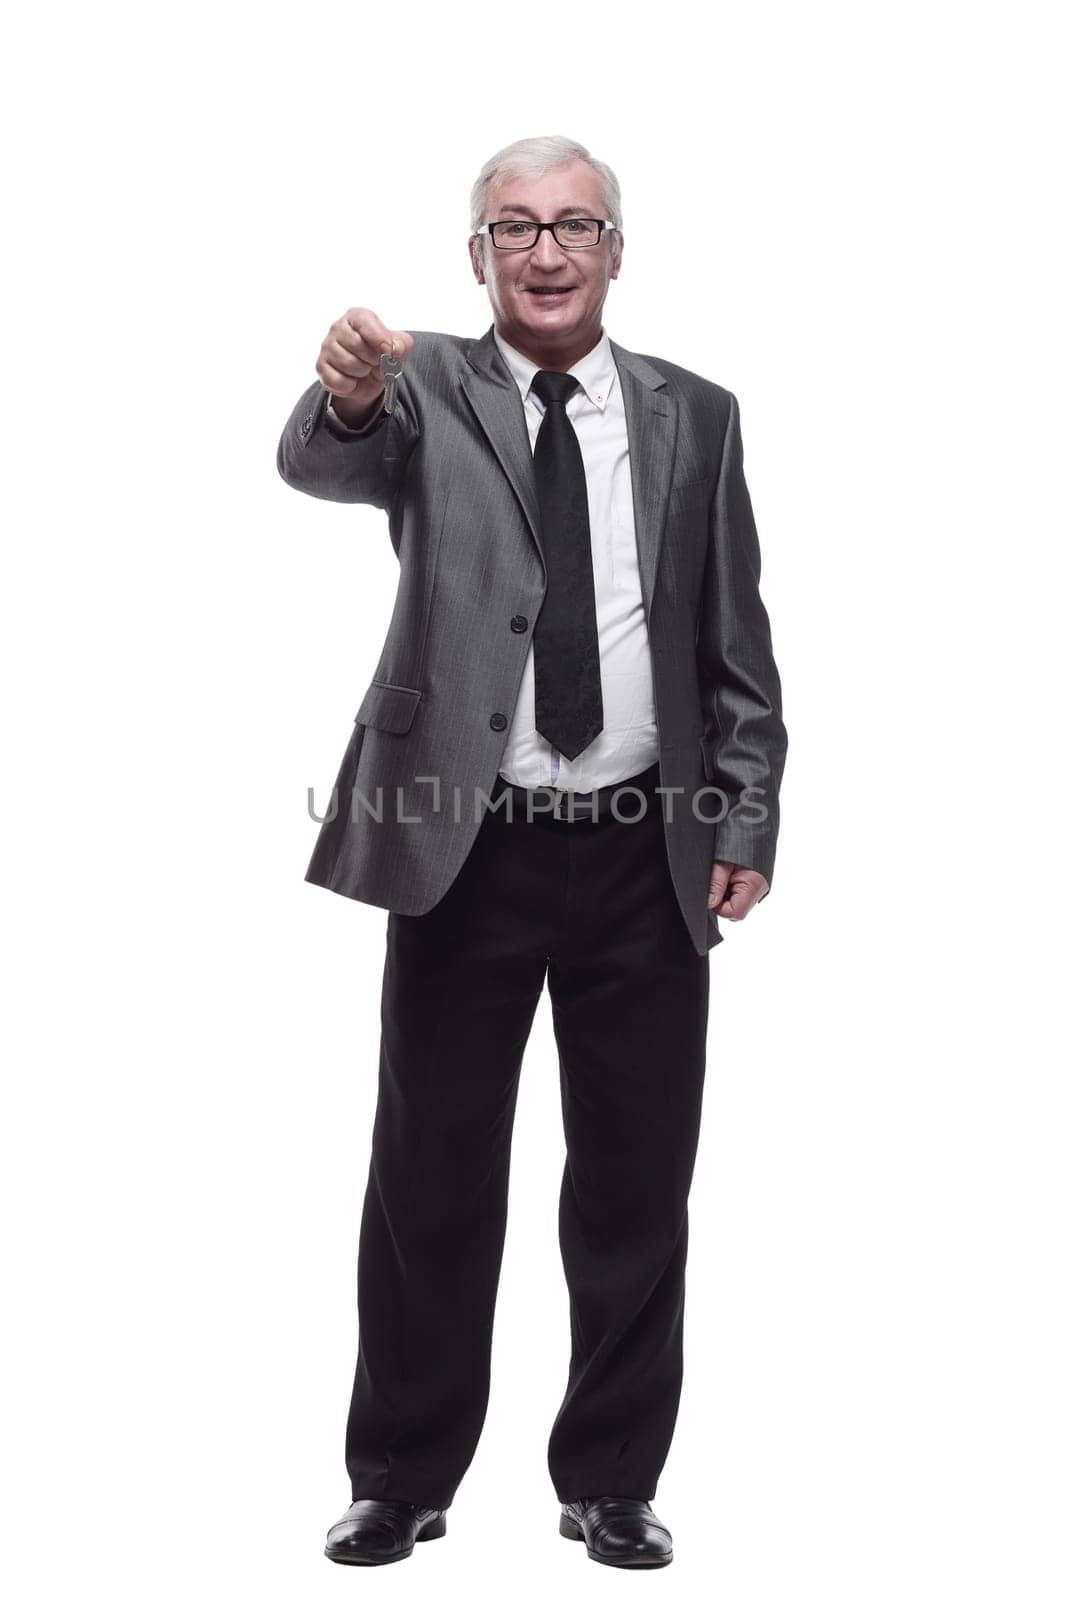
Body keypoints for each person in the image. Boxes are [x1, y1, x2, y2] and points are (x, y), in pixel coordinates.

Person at [276, 133, 787, 1570]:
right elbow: (327, 459)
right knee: (430, 1174)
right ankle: (402, 1474)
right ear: (478, 257)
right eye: (515, 228)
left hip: (647, 854)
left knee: (636, 1184)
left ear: (619, 250)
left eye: (575, 226)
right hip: (466, 851)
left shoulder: (700, 415)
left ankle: (611, 1479)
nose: (547, 251)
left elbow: (732, 639)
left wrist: (743, 813)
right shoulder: (426, 386)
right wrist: (347, 390)